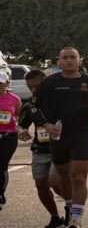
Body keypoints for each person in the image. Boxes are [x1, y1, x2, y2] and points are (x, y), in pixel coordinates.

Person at [29, 47, 88, 228]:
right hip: (58, 136)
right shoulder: (49, 82)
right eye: (65, 57)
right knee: (64, 177)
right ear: (59, 62)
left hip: (83, 134)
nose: (69, 60)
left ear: (80, 60)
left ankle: (76, 219)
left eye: (73, 57)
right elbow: (32, 107)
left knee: (78, 176)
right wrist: (46, 125)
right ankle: (70, 205)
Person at [18, 69, 66, 227]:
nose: (33, 90)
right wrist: (22, 131)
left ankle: (71, 204)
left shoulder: (61, 100)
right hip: (40, 149)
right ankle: (55, 217)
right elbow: (22, 125)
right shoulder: (30, 104)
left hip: (61, 148)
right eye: (30, 87)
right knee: (41, 185)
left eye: (37, 86)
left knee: (55, 180)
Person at [0, 72, 21, 211]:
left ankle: (0, 194)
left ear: (7, 84)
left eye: (1, 83)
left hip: (9, 136)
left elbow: (18, 115)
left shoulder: (15, 99)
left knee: (1, 165)